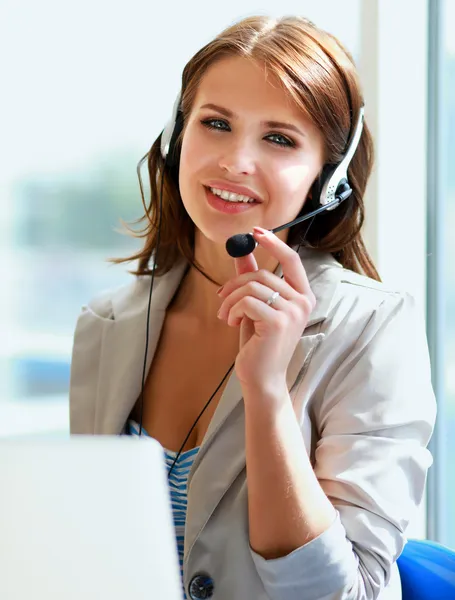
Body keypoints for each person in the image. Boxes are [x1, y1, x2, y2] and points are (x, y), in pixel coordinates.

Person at [69, 15, 436, 600]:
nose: (235, 161)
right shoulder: (107, 325)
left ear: (328, 176)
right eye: (215, 124)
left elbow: (347, 594)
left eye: (279, 138)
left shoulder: (374, 328)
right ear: (175, 138)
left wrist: (267, 391)